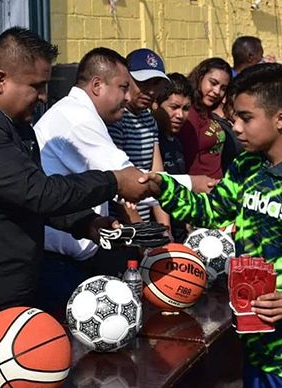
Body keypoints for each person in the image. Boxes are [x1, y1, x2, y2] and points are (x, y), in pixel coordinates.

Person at [0, 27, 156, 358]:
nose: (42, 96)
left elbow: (25, 195)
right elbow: (37, 192)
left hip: (13, 300)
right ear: (0, 80)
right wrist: (112, 181)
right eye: (35, 86)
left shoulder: (12, 125)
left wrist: (84, 224)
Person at [144, 63, 282, 386]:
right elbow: (210, 211)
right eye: (234, 118)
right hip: (252, 337)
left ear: (281, 118)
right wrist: (164, 187)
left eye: (246, 118)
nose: (236, 128)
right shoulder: (246, 166)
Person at [33, 47, 137, 314]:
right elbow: (129, 180)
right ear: (97, 85)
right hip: (56, 266)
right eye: (123, 87)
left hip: (77, 255)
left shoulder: (82, 114)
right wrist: (191, 187)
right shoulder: (77, 118)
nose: (128, 97)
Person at [106, 48, 170, 225]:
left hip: (144, 223)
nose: (151, 91)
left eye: (156, 84)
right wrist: (140, 233)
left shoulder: (149, 120)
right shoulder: (117, 119)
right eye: (144, 83)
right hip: (120, 226)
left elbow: (158, 175)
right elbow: (117, 181)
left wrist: (165, 228)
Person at [151, 72, 193, 242]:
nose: (180, 115)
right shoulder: (153, 142)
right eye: (173, 107)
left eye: (185, 109)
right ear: (156, 105)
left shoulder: (176, 141)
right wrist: (166, 232)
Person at [179, 57, 233, 180]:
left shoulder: (206, 112)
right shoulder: (190, 114)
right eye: (213, 83)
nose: (217, 91)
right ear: (200, 78)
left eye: (223, 88)